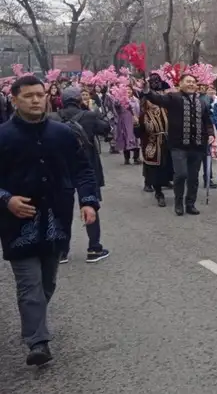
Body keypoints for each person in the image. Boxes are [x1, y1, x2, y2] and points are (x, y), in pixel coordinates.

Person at [0, 75, 99, 366]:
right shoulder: (3, 136)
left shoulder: (62, 133)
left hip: (57, 218)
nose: (35, 100)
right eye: (28, 95)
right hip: (18, 224)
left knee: (47, 282)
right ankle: (38, 342)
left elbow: (83, 169)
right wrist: (7, 200)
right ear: (14, 99)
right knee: (29, 284)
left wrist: (89, 201)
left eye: (39, 94)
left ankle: (34, 322)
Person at [51, 87, 111, 264]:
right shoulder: (89, 116)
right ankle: (94, 248)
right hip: (87, 166)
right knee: (90, 204)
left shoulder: (53, 118)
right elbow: (106, 128)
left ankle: (61, 251)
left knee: (61, 208)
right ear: (79, 99)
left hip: (61, 167)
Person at [141, 73, 214, 216]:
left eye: (193, 82)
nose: (191, 84)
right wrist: (146, 90)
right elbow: (157, 99)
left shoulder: (202, 102)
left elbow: (207, 121)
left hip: (197, 146)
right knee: (181, 174)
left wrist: (210, 133)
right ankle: (178, 202)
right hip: (178, 146)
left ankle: (190, 203)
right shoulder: (173, 98)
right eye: (188, 81)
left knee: (193, 177)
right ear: (180, 84)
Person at [140, 98, 174, 208]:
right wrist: (136, 124)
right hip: (152, 144)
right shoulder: (144, 115)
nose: (153, 103)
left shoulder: (167, 111)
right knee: (155, 169)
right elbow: (139, 133)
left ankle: (169, 183)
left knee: (169, 166)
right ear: (146, 102)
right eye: (150, 101)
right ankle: (159, 193)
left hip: (168, 143)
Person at [114, 86, 141, 165]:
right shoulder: (119, 101)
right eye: (126, 90)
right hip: (124, 123)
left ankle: (136, 158)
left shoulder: (136, 100)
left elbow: (139, 110)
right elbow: (116, 109)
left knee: (136, 139)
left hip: (134, 122)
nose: (128, 91)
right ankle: (127, 159)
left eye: (129, 89)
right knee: (126, 139)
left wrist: (137, 118)